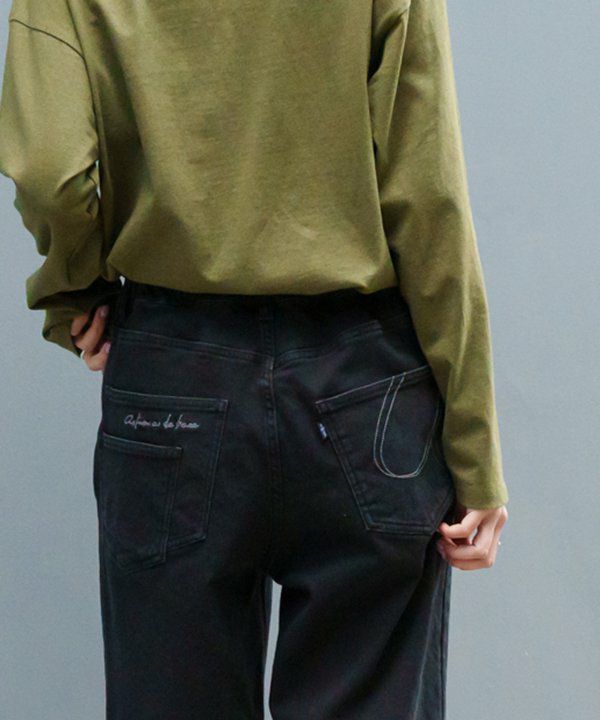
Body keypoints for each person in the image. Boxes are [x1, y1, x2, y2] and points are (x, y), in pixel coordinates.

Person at [0, 1, 508, 718]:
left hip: (174, 377)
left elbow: (50, 172)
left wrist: (75, 287)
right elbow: (429, 202)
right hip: (362, 391)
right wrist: (474, 447)